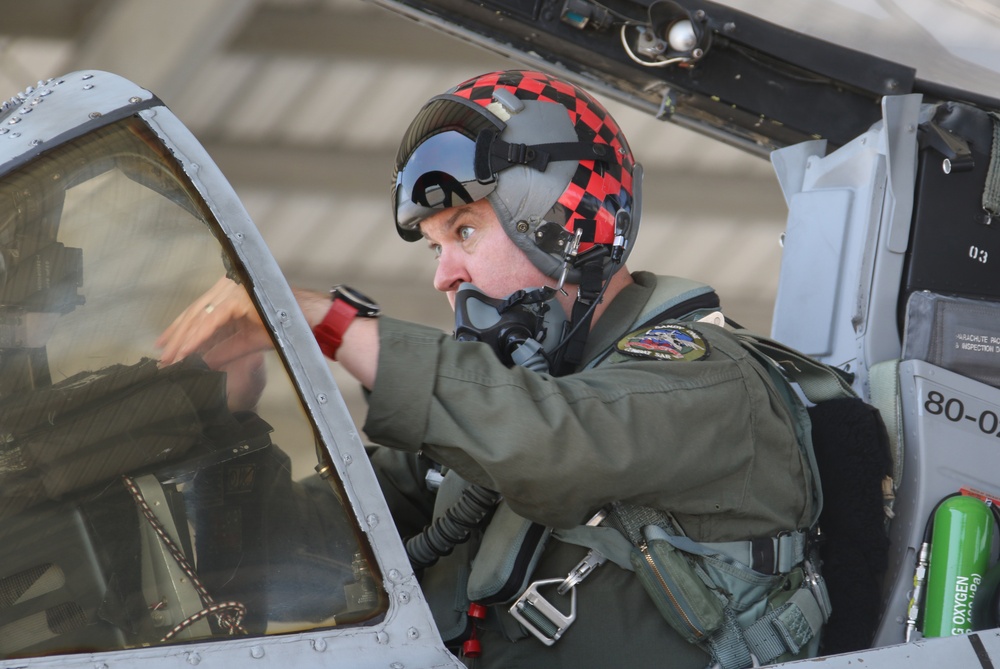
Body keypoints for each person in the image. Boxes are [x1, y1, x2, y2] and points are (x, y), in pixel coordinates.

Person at [157, 69, 828, 669]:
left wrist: (328, 324)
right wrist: (229, 420)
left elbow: (557, 442)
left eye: (465, 230)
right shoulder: (485, 426)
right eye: (434, 246)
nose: (445, 274)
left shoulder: (709, 379)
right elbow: (283, 568)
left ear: (567, 219)